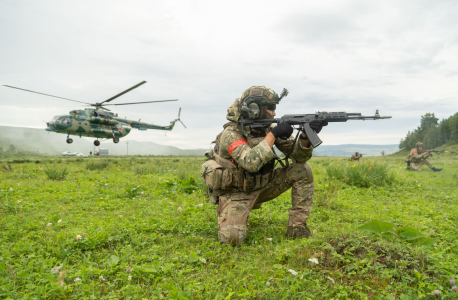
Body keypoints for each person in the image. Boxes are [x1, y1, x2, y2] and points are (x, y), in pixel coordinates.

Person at [202, 86, 327, 245]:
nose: (274, 113)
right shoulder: (231, 134)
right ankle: (235, 216)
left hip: (264, 186)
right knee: (232, 239)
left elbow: (300, 157)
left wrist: (305, 136)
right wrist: (273, 135)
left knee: (303, 170)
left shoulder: (268, 129)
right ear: (255, 108)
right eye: (271, 108)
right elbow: (250, 162)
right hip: (236, 193)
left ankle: (297, 228)